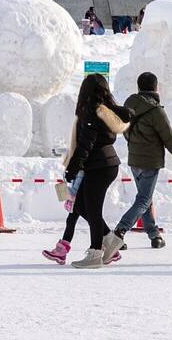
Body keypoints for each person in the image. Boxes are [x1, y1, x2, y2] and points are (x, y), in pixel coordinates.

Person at [105, 72, 172, 254]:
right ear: (155, 87)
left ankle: (154, 234)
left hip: (134, 159)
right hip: (150, 161)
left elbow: (124, 129)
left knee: (145, 197)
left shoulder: (129, 105)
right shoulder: (156, 111)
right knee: (143, 199)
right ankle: (119, 232)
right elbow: (169, 139)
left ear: (138, 87)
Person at [58, 74, 131, 268]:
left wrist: (72, 169)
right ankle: (110, 240)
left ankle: (95, 253)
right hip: (106, 165)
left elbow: (85, 145)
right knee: (81, 205)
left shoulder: (91, 111)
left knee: (92, 209)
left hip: (99, 166)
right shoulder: (106, 112)